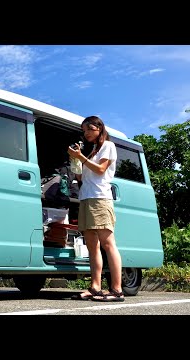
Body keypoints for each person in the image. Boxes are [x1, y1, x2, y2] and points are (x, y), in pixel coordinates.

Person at [67, 116, 125, 302]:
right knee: (92, 246)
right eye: (84, 131)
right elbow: (81, 179)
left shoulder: (108, 146)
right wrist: (75, 161)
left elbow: (101, 170)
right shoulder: (92, 152)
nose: (86, 133)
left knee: (108, 244)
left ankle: (117, 290)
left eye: (89, 129)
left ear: (99, 128)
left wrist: (81, 157)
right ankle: (95, 287)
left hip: (100, 199)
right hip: (86, 198)